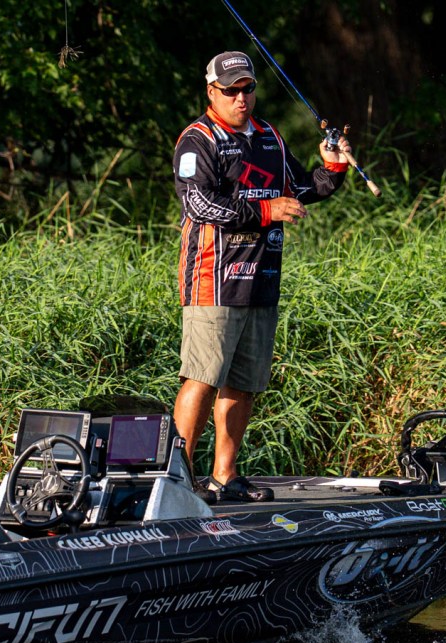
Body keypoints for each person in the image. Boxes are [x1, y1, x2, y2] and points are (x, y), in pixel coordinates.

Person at [171, 50, 351, 504]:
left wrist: (332, 168)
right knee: (202, 376)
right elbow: (198, 204)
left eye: (247, 88)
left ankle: (225, 476)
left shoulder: (269, 136)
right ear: (211, 91)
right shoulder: (198, 140)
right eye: (231, 90)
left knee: (244, 382)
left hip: (262, 277)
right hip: (213, 277)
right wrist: (265, 210)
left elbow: (300, 188)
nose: (241, 98)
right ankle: (175, 480)